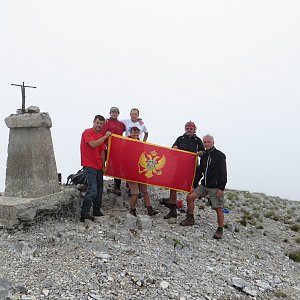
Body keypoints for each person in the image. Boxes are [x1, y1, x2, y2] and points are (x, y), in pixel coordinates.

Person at [180, 134, 227, 240]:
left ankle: (220, 229)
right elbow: (200, 171)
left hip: (215, 187)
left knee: (218, 208)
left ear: (213, 142)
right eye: (204, 142)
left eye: (208, 142)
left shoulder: (220, 155)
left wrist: (221, 188)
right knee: (189, 197)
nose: (206, 144)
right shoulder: (204, 156)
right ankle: (190, 218)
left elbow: (223, 173)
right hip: (204, 185)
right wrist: (194, 185)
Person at [164, 121, 205, 219]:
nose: (189, 130)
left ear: (194, 129)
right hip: (179, 168)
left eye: (191, 128)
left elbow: (204, 152)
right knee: (173, 188)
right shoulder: (180, 138)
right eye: (187, 128)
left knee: (191, 189)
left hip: (192, 169)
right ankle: (173, 210)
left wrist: (200, 152)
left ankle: (189, 214)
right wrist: (174, 148)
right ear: (185, 129)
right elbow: (172, 151)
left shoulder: (198, 140)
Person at [80, 115, 111, 222]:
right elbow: (92, 145)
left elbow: (102, 152)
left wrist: (103, 166)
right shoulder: (87, 132)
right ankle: (84, 213)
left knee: (99, 190)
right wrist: (104, 137)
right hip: (89, 166)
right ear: (94, 122)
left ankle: (96, 210)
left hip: (98, 167)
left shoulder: (99, 135)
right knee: (92, 189)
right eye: (98, 123)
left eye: (101, 124)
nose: (99, 125)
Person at [127, 126, 158, 217]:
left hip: (140, 171)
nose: (135, 134)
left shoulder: (141, 144)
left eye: (137, 132)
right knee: (135, 193)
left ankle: (149, 209)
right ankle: (132, 209)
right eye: (134, 132)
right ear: (130, 133)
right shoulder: (126, 142)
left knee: (145, 191)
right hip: (131, 172)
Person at [100, 106, 125, 196]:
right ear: (110, 113)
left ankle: (117, 187)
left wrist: (139, 120)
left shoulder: (121, 124)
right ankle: (97, 183)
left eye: (116, 112)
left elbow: (131, 126)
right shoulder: (106, 122)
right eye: (112, 112)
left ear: (118, 114)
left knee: (117, 167)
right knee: (100, 164)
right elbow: (101, 134)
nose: (114, 113)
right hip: (106, 147)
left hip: (117, 149)